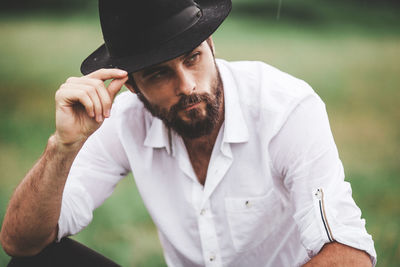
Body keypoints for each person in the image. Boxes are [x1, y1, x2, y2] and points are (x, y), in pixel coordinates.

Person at [0, 0, 377, 266]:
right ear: (132, 86)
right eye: (159, 73)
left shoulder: (286, 109)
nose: (187, 85)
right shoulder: (123, 120)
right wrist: (63, 147)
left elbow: (349, 251)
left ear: (211, 45)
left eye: (192, 57)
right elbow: (20, 242)